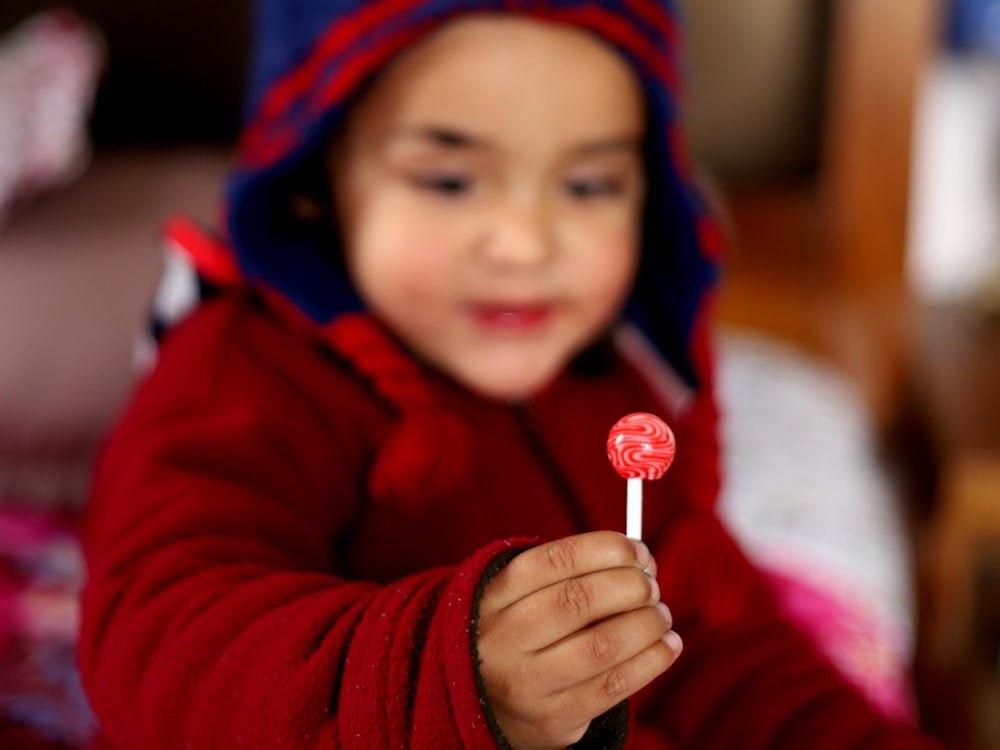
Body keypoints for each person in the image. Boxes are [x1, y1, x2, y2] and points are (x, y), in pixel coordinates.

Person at [77, 2, 943, 748]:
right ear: (319, 180)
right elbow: (160, 640)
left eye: (590, 185)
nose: (526, 246)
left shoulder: (617, 384)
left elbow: (719, 646)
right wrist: (451, 675)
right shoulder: (242, 371)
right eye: (450, 179)